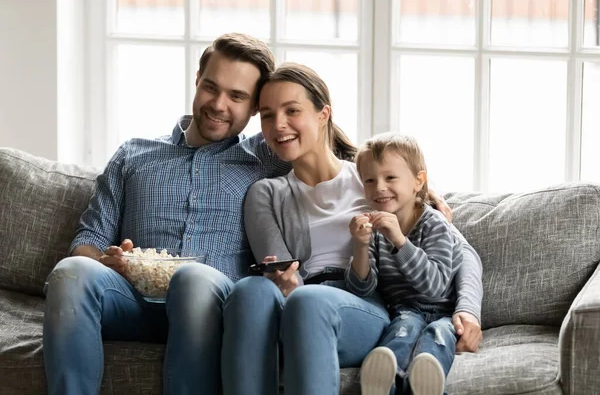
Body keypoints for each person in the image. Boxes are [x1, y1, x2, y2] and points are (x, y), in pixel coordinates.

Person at [42, 33, 291, 395]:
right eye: (211, 87)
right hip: (133, 301)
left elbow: (326, 156)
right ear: (197, 81)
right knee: (71, 273)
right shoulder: (134, 154)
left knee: (192, 281)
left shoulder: (266, 160)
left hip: (212, 304)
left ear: (255, 107)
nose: (219, 104)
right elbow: (88, 241)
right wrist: (104, 261)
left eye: (237, 96)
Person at [221, 63, 483, 395]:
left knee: (307, 302)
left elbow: (463, 253)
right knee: (248, 292)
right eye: (268, 115)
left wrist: (467, 311)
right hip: (300, 300)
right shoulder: (266, 194)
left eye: (292, 111)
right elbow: (285, 273)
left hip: (362, 305)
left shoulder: (373, 180)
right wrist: (284, 282)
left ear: (322, 114)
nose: (279, 125)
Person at [348, 133, 472, 395]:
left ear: (418, 181)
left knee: (436, 336)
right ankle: (383, 380)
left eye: (390, 178)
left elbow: (434, 287)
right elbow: (362, 289)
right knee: (402, 330)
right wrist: (360, 246)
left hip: (444, 312)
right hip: (404, 309)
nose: (379, 187)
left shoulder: (434, 224)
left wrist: (400, 241)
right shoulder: (373, 228)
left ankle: (424, 383)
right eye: (370, 180)